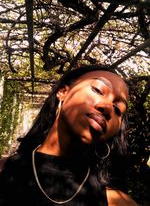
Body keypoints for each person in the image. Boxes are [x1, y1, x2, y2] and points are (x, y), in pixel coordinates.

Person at [0, 64, 138, 206]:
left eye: (118, 109)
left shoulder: (116, 201)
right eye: (97, 89)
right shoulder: (4, 171)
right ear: (63, 92)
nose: (108, 107)